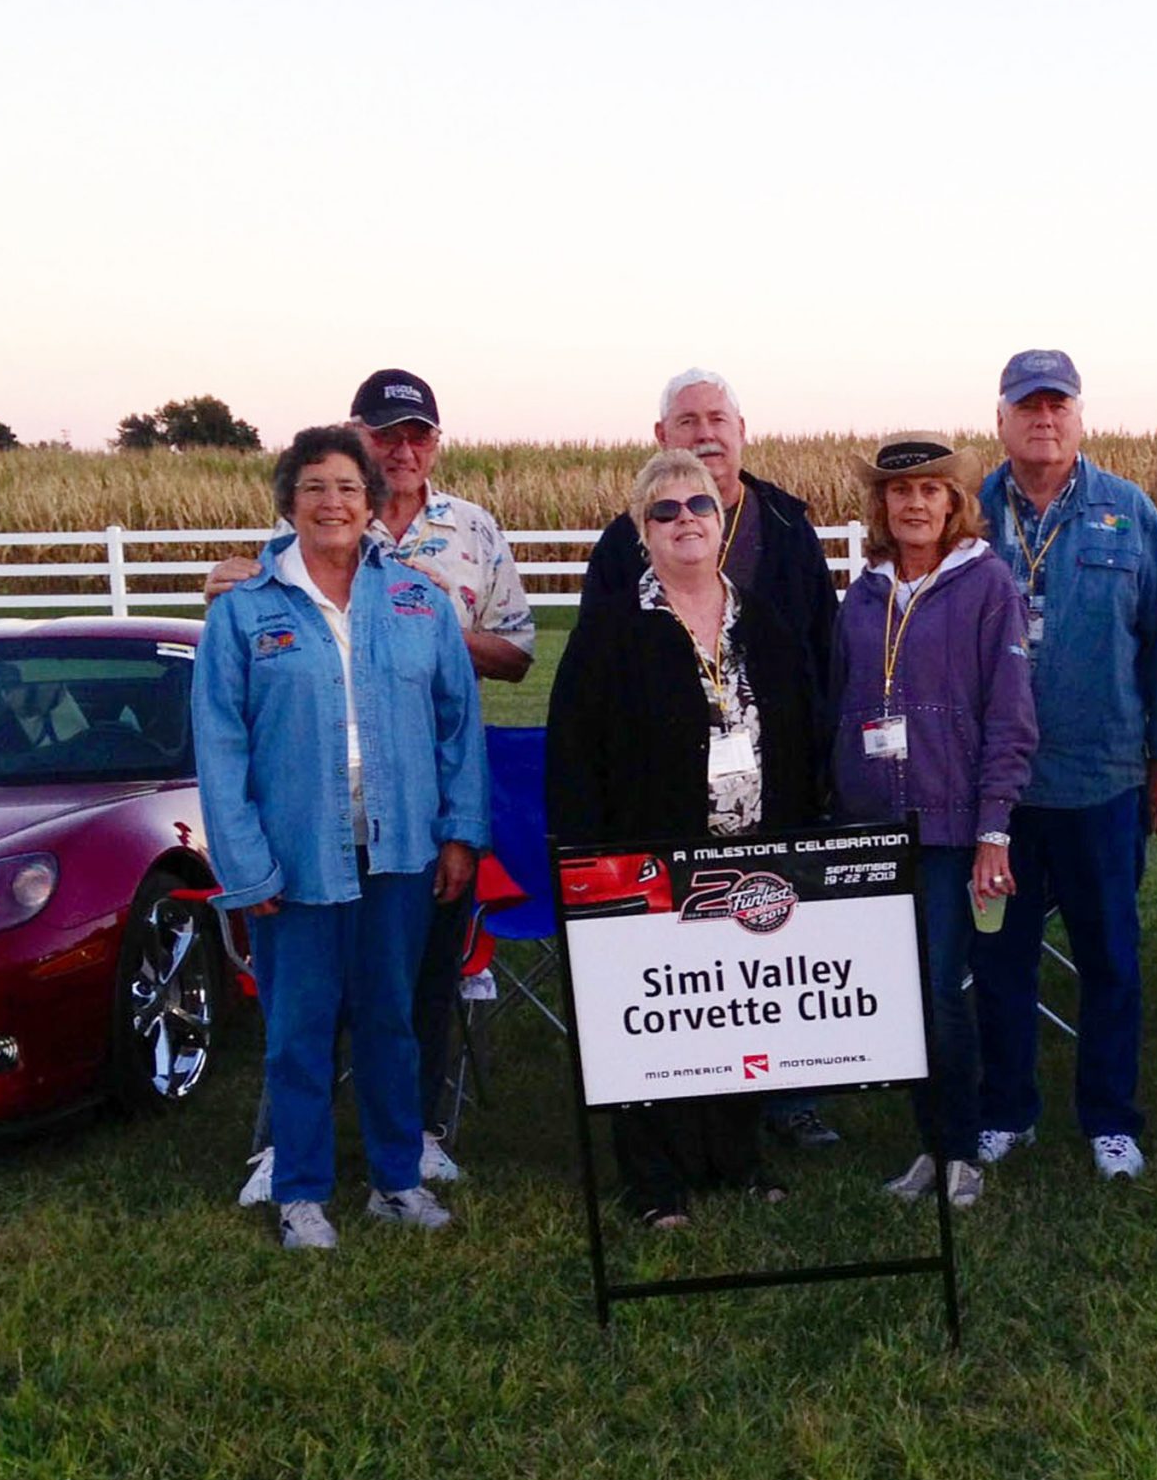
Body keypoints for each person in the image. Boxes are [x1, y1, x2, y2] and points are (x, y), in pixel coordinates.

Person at [211, 368, 533, 1194]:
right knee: (300, 1017)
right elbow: (226, 729)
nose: (335, 499)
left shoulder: (445, 564)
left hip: (407, 828)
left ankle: (405, 1158)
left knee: (404, 1004)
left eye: (416, 435)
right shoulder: (270, 579)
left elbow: (487, 688)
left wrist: (463, 832)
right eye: (316, 486)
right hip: (303, 834)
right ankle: (295, 1168)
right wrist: (244, 860)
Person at [546, 450, 824, 1227]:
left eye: (698, 506)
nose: (685, 522)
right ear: (643, 529)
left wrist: (797, 845)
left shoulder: (761, 621)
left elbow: (801, 732)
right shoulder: (610, 629)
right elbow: (573, 750)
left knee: (735, 1013)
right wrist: (585, 858)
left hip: (753, 860)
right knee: (659, 1022)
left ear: (722, 517)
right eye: (663, 511)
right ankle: (655, 1179)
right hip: (648, 861)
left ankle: (735, 1159)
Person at [581, 368, 845, 1151]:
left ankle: (785, 1100)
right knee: (686, 972)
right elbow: (595, 692)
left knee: (770, 952)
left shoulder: (790, 528)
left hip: (773, 796)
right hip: (663, 803)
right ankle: (675, 1112)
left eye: (717, 417)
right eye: (686, 419)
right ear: (661, 436)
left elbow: (822, 655)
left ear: (741, 428)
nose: (705, 431)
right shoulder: (622, 543)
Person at [971, 349, 1157, 1180]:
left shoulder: (1128, 511)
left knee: (1110, 960)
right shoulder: (967, 512)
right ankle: (1007, 1110)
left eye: (1058, 405)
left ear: (1081, 416)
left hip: (1104, 781)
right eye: (1028, 406)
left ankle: (1110, 1118)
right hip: (998, 795)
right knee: (1000, 959)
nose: (1043, 419)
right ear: (1002, 420)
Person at [828, 438, 1037, 1211]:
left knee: (942, 991)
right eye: (899, 490)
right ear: (881, 505)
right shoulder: (861, 595)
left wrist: (994, 829)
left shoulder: (987, 588)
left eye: (930, 490)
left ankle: (961, 1149)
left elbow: (1011, 716)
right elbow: (838, 704)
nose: (914, 504)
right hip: (873, 827)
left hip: (949, 831)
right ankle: (927, 1144)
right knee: (898, 993)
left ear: (954, 502)